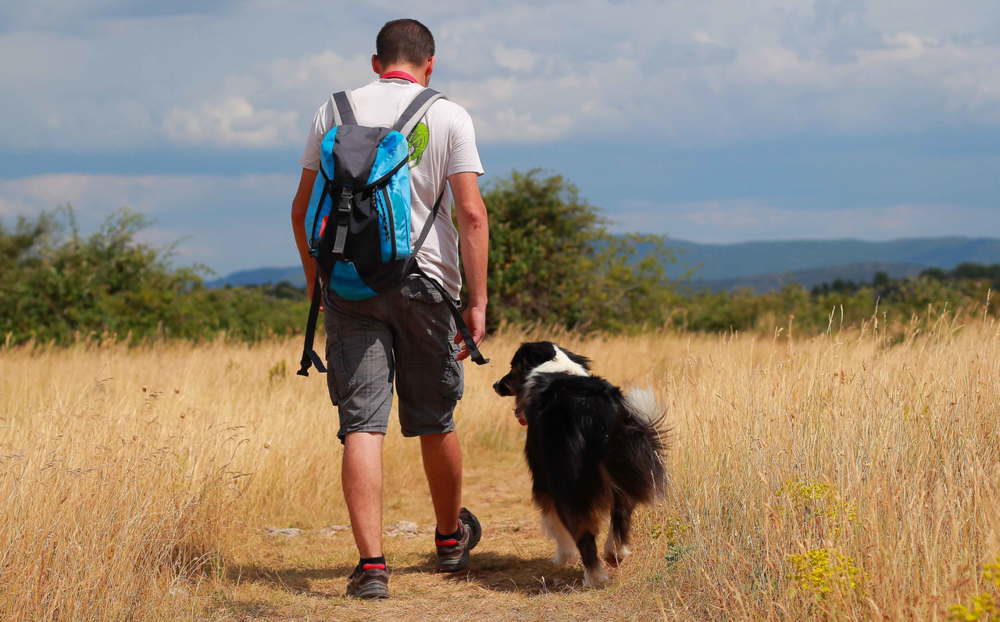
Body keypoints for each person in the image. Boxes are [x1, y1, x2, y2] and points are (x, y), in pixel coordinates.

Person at [290, 18, 489, 600]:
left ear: (376, 63)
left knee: (361, 425)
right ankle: (451, 541)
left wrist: (316, 285)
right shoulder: (449, 114)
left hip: (348, 285)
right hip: (427, 286)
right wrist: (475, 303)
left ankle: (372, 567)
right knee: (435, 418)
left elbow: (303, 210)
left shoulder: (333, 110)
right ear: (430, 64)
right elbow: (471, 215)